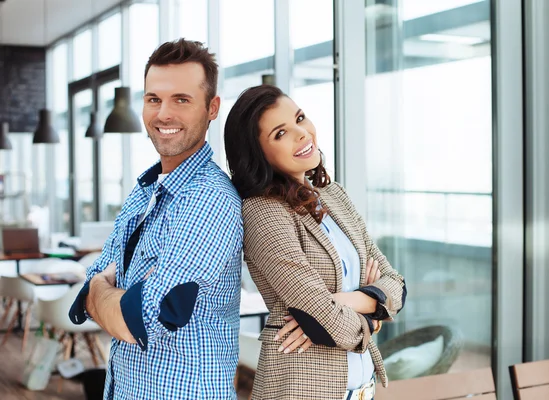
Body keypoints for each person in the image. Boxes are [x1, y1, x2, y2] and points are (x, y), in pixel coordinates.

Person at [69, 39, 243, 400]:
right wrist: (109, 293)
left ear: (212, 108)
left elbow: (137, 321)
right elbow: (87, 290)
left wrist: (103, 289)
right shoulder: (145, 189)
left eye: (181, 99)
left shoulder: (209, 200)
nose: (163, 114)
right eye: (154, 99)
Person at [224, 84, 407, 400]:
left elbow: (397, 285)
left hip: (362, 392)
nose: (301, 133)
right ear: (259, 155)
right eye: (280, 134)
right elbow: (321, 318)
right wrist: (375, 318)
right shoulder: (263, 211)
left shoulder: (332, 196)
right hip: (302, 389)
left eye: (300, 118)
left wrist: (349, 301)